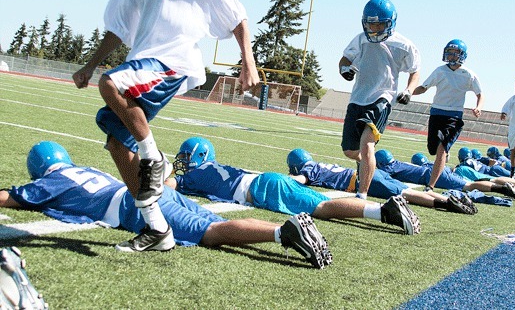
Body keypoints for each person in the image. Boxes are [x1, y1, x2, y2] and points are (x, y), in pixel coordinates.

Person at [71, 0, 259, 251]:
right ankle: (157, 228)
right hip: (143, 61)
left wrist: (247, 61)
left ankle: (154, 159)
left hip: (174, 61)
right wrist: (90, 64)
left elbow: (236, 16)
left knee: (112, 83)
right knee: (114, 139)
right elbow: (119, 26)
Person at [0, 141, 332, 269]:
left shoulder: (52, 180)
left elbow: (11, 198)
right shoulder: (85, 169)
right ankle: (284, 229)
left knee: (212, 233)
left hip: (137, 206)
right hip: (155, 192)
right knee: (212, 221)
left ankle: (283, 232)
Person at [165, 137, 421, 235]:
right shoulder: (209, 169)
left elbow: (168, 187)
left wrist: (161, 175)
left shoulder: (196, 174)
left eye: (186, 157)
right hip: (267, 182)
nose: (183, 163)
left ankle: (384, 212)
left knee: (321, 208)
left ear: (199, 157)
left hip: (264, 188)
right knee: (322, 204)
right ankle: (381, 210)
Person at [338, 0, 420, 200]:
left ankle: (362, 194)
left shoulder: (403, 45)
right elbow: (345, 59)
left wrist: (408, 91)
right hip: (358, 97)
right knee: (350, 150)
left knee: (367, 144)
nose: (374, 28)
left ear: (390, 22)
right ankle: (368, 163)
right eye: (371, 24)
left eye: (379, 24)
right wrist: (344, 70)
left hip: (382, 98)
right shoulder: (361, 39)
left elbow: (415, 71)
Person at [286, 149, 477, 215]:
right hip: (370, 173)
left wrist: (286, 179)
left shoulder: (308, 169)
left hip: (363, 180)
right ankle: (450, 198)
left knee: (407, 194)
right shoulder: (318, 164)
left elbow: (300, 179)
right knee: (404, 190)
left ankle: (447, 203)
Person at [412, 39, 483, 193]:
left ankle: (430, 186)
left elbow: (480, 94)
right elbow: (424, 88)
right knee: (433, 149)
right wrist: (408, 92)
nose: (451, 56)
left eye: (454, 53)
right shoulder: (439, 71)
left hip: (454, 116)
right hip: (436, 113)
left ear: (462, 55)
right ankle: (443, 156)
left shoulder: (468, 74)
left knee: (441, 150)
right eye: (449, 52)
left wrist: (479, 107)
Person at [375, 150, 515, 201]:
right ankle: (501, 187)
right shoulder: (397, 164)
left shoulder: (390, 168)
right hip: (438, 171)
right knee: (470, 184)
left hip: (432, 175)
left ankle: (502, 189)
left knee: (469, 186)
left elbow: (376, 176)